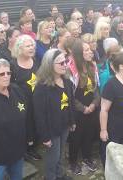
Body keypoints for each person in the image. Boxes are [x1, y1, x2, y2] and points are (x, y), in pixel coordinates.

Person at [33, 49, 75, 180]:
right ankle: (51, 177)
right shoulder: (42, 87)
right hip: (52, 130)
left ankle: (60, 174)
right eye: (61, 63)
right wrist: (45, 137)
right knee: (53, 157)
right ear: (50, 65)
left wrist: (72, 121)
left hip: (64, 126)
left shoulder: (66, 81)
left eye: (66, 61)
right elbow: (39, 115)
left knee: (61, 154)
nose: (65, 65)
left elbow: (70, 103)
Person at [68, 40, 99, 174]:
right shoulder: (70, 69)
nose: (90, 52)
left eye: (89, 49)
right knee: (76, 137)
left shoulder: (92, 66)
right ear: (78, 54)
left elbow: (97, 88)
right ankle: (73, 162)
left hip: (92, 108)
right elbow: (69, 95)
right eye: (86, 50)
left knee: (89, 134)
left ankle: (87, 157)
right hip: (77, 111)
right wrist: (83, 108)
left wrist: (93, 104)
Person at [11, 35, 42, 161]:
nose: (31, 48)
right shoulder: (12, 65)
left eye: (32, 46)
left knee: (36, 123)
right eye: (28, 46)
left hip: (37, 100)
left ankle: (34, 146)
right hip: (21, 103)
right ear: (19, 48)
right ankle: (25, 149)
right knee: (25, 125)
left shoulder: (35, 61)